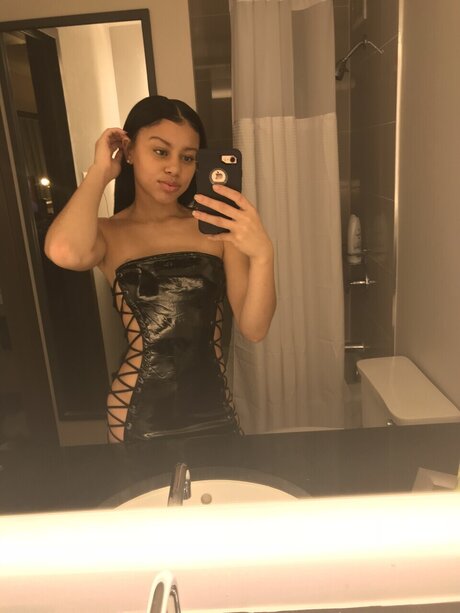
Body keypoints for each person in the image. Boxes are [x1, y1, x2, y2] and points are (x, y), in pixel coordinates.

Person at [45, 95, 276, 443]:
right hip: (139, 414)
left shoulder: (216, 228)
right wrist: (101, 172)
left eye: (188, 157)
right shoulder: (108, 233)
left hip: (213, 409)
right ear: (129, 151)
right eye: (160, 151)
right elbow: (63, 251)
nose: (174, 169)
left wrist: (263, 255)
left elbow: (254, 329)